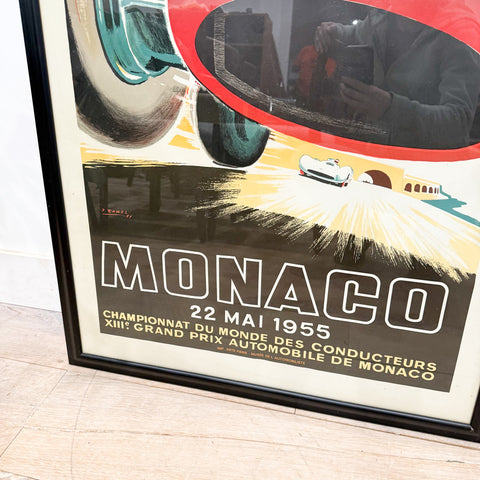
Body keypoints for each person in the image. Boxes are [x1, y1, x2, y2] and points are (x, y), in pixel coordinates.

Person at [313, 8, 480, 149]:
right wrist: (335, 31)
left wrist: (390, 108)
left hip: (423, 165)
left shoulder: (459, 33)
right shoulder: (383, 16)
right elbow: (358, 33)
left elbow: (458, 124)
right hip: (369, 152)